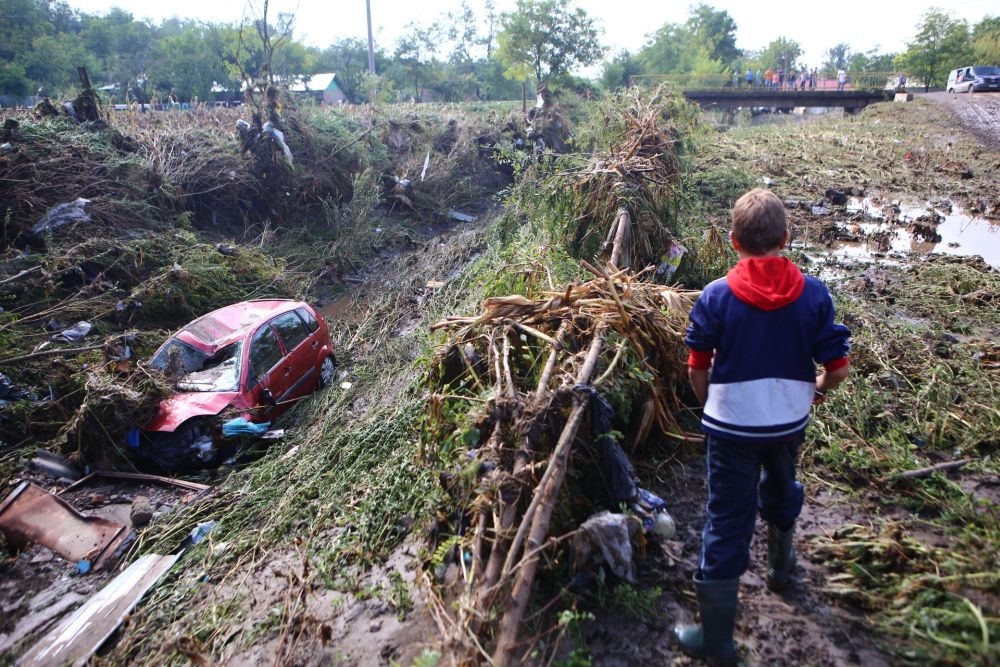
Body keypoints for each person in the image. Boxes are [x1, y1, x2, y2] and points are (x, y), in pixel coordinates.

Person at [673, 188, 851, 664]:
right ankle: (780, 565)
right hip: (788, 422)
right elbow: (837, 366)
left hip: (732, 428)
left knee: (727, 517)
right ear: (785, 238)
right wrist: (815, 388)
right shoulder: (813, 293)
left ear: (733, 241)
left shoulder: (716, 295)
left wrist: (712, 405)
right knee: (783, 481)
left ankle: (716, 642)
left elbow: (697, 365)